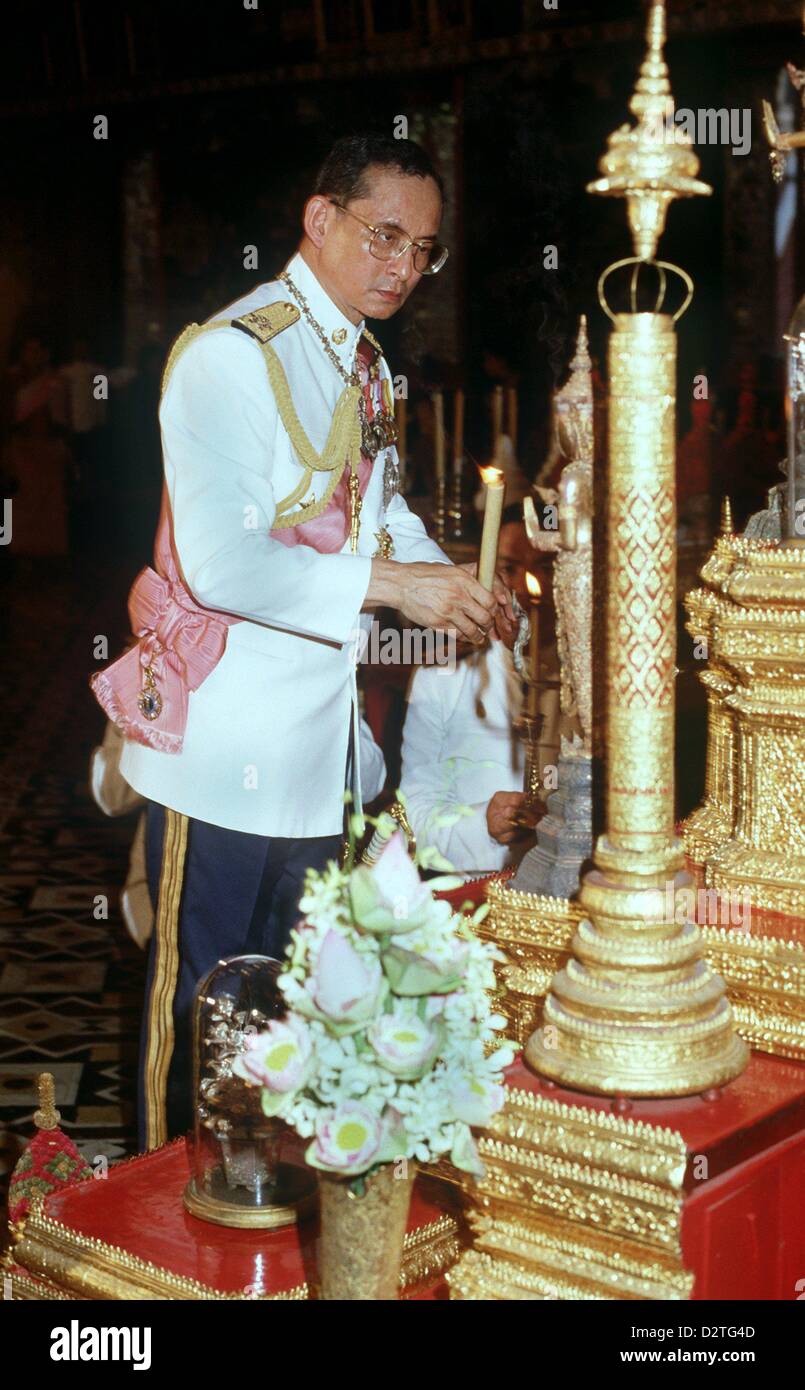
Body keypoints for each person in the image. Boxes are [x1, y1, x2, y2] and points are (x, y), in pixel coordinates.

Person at [91, 133, 515, 1148]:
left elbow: (377, 511)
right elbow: (225, 566)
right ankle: (171, 1232)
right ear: (318, 221)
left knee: (286, 1014)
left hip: (317, 754)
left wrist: (451, 580)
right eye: (384, 236)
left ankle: (257, 1210)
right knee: (198, 1010)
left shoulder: (358, 361)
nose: (403, 266)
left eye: (423, 248)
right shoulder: (230, 357)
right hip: (221, 749)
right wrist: (393, 584)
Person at [400, 506, 576, 874]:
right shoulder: (445, 672)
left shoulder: (591, 678)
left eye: (544, 568)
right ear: (487, 574)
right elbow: (412, 819)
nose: (529, 588)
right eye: (510, 568)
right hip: (480, 888)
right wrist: (484, 825)